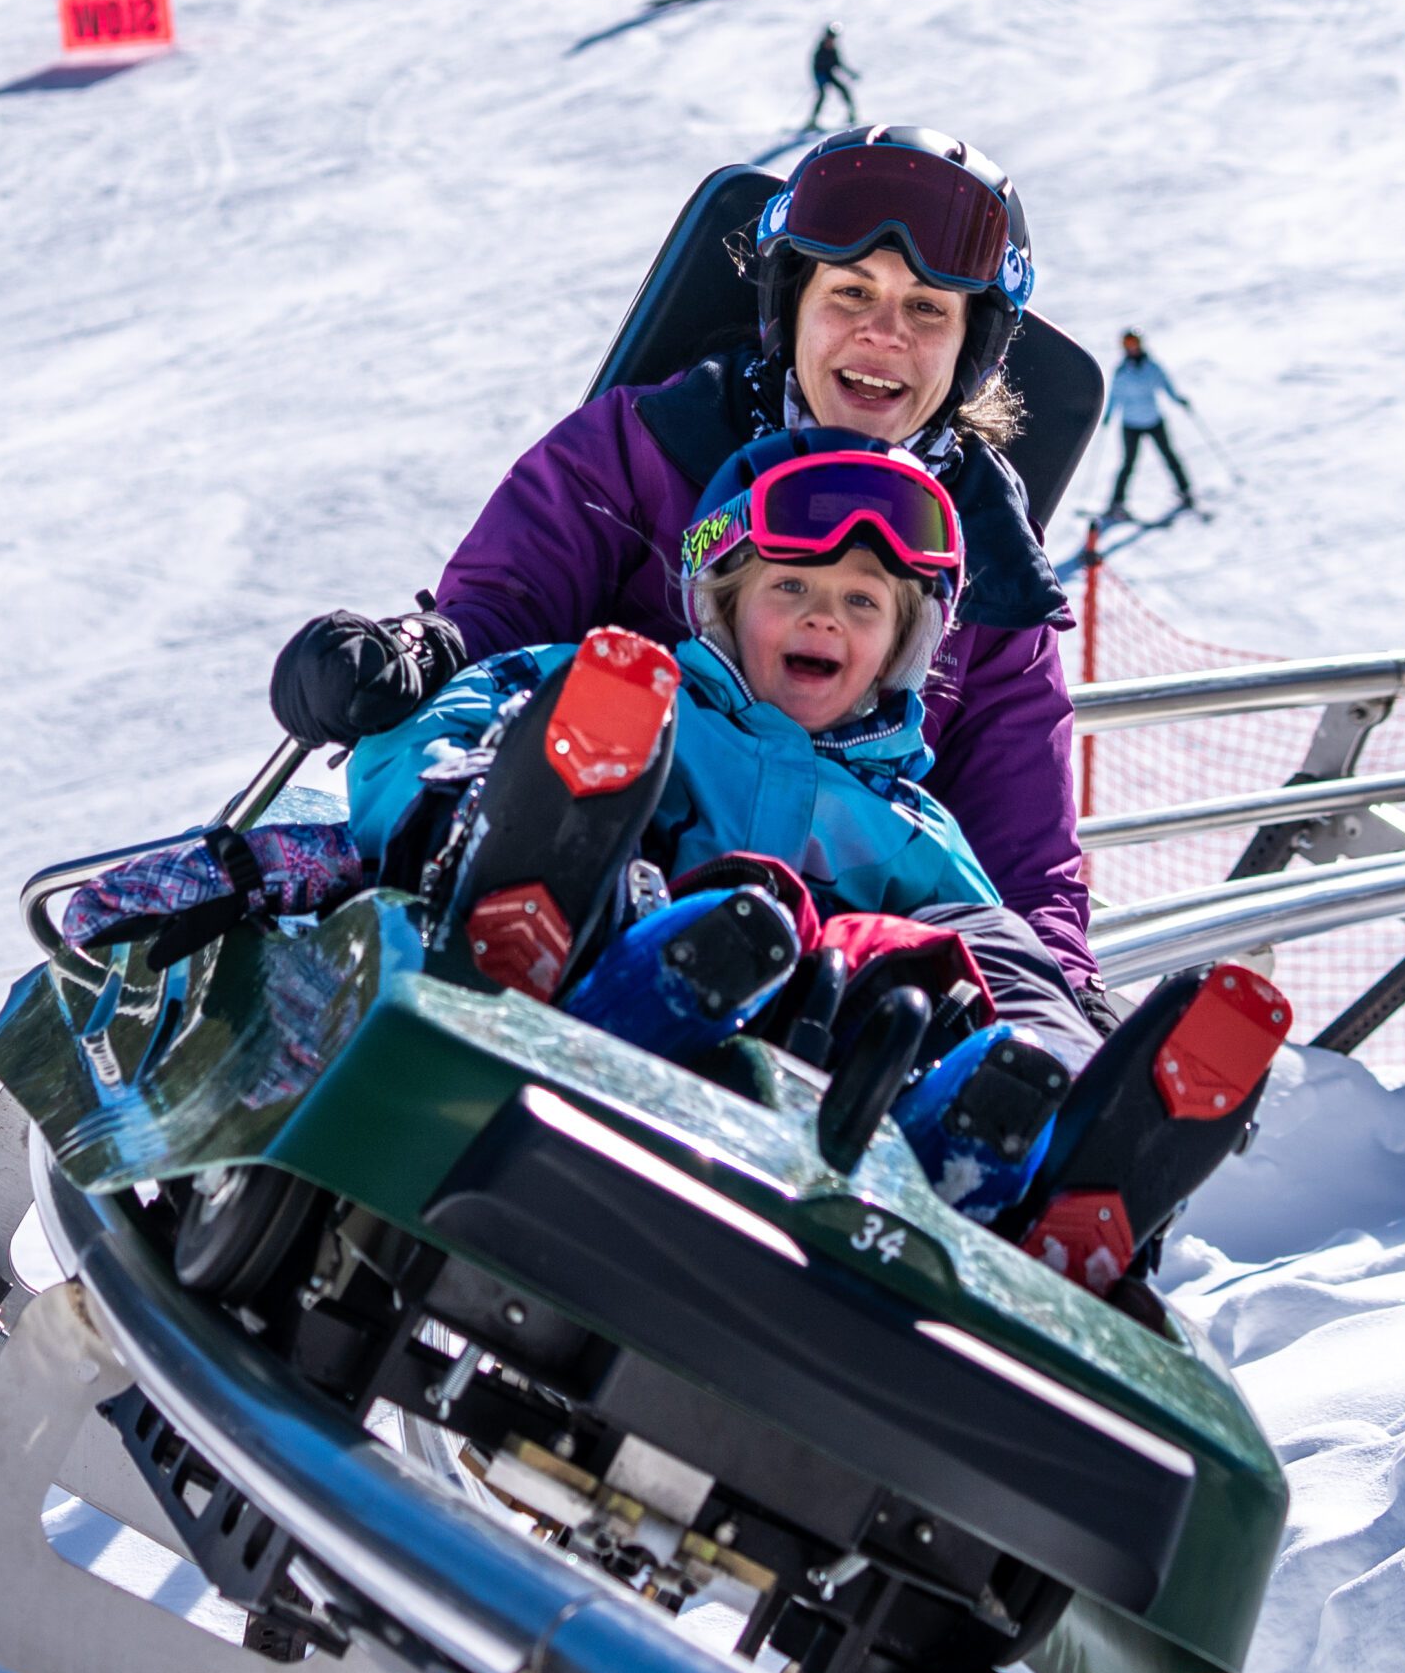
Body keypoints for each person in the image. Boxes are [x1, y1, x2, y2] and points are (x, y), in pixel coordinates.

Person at [341, 428, 1285, 1292]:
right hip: (603, 961)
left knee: (966, 950)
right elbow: (435, 730)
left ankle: (1051, 1143)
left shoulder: (911, 821)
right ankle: (529, 910)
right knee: (612, 787)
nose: (822, 619)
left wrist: (1064, 1018)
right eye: (788, 586)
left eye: (861, 603)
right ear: (722, 603)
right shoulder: (641, 698)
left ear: (899, 647)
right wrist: (449, 793)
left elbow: (1000, 958)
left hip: (822, 1077)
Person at [270, 126, 1104, 1026]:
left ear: (969, 346)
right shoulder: (646, 448)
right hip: (615, 851)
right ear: (792, 305)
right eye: (851, 292)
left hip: (815, 946)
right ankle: (523, 910)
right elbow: (501, 624)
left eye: (928, 310)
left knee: (973, 966)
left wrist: (1062, 993)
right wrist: (418, 653)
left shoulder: (992, 578)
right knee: (577, 753)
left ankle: (1048, 1106)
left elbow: (1021, 851)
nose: (882, 334)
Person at [1103, 330, 1195, 520]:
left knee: (1169, 455)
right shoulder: (1121, 371)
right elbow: (1114, 396)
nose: (1131, 347)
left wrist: (1179, 400)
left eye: (1134, 342)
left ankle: (1185, 491)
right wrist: (1108, 415)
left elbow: (1166, 385)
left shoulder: (1152, 367)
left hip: (1153, 420)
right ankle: (1117, 502)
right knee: (1128, 463)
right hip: (1131, 424)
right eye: (1127, 344)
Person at [804, 24, 857, 130]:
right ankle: (813, 120)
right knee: (822, 95)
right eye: (830, 37)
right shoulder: (820, 50)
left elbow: (839, 64)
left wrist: (851, 73)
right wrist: (819, 78)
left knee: (844, 90)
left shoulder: (833, 50)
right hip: (822, 75)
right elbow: (815, 66)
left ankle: (851, 114)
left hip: (829, 74)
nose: (832, 40)